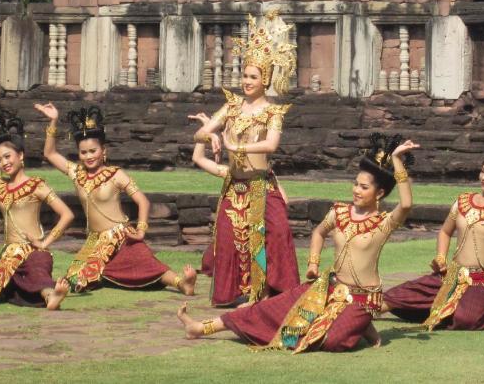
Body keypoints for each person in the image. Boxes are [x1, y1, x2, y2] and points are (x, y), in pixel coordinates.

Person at [177, 134, 418, 353]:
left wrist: (396, 160)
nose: (356, 190)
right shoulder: (339, 212)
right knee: (272, 308)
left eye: (363, 187)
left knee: (333, 340)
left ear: (379, 194)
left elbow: (406, 204)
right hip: (330, 288)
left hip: (363, 299)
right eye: (355, 184)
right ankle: (200, 328)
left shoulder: (383, 222)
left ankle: (360, 324)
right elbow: (318, 233)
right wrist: (313, 263)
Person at [190, 10, 299, 306]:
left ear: (266, 79)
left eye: (253, 77)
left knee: (275, 234)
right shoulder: (232, 107)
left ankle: (265, 292)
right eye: (245, 76)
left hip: (261, 186)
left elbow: (272, 145)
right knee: (228, 239)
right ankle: (242, 291)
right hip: (234, 186)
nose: (247, 81)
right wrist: (209, 135)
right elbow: (201, 135)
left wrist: (237, 149)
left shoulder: (273, 112)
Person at [35, 103, 197, 295]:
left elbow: (143, 201)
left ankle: (181, 283)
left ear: (104, 151)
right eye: (83, 152)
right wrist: (53, 120)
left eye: (93, 151)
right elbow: (50, 153)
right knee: (75, 277)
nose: (88, 156)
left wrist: (141, 230)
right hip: (95, 241)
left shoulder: (116, 174)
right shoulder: (76, 173)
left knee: (143, 260)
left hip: (120, 235)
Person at [382, 125, 484, 330]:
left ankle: (482, 308)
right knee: (395, 297)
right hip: (452, 275)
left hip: (482, 280)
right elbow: (445, 232)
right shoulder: (462, 201)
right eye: (482, 171)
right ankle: (360, 309)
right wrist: (441, 257)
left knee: (467, 319)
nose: (483, 177)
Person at [0, 111, 73, 309]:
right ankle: (21, 291)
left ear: (21, 155)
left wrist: (45, 242)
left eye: (8, 156)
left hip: (34, 252)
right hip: (9, 256)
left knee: (37, 275)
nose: (4, 163)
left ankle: (52, 296)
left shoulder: (37, 186)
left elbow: (67, 214)